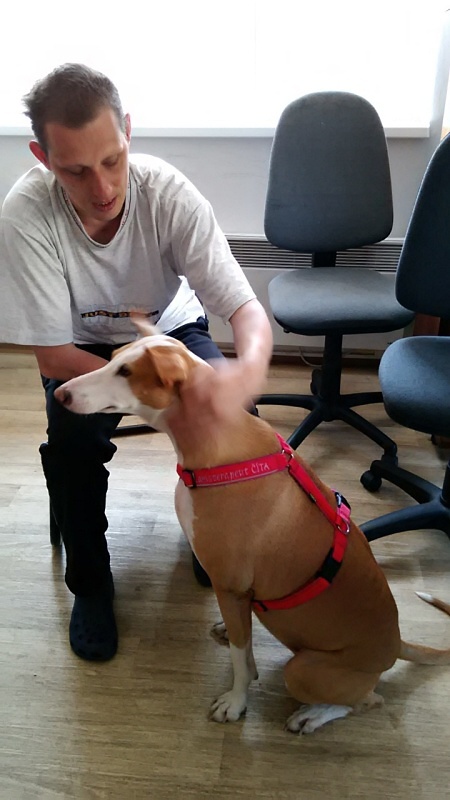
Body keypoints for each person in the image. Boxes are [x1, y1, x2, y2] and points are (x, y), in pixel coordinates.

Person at [0, 63, 273, 662]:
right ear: (43, 158)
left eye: (113, 160)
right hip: (82, 348)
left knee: (239, 425)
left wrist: (246, 373)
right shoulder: (25, 214)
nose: (102, 188)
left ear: (127, 130)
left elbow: (245, 310)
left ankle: (213, 540)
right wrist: (160, 405)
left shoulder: (169, 194)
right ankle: (90, 585)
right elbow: (53, 355)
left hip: (169, 333)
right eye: (76, 170)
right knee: (73, 443)